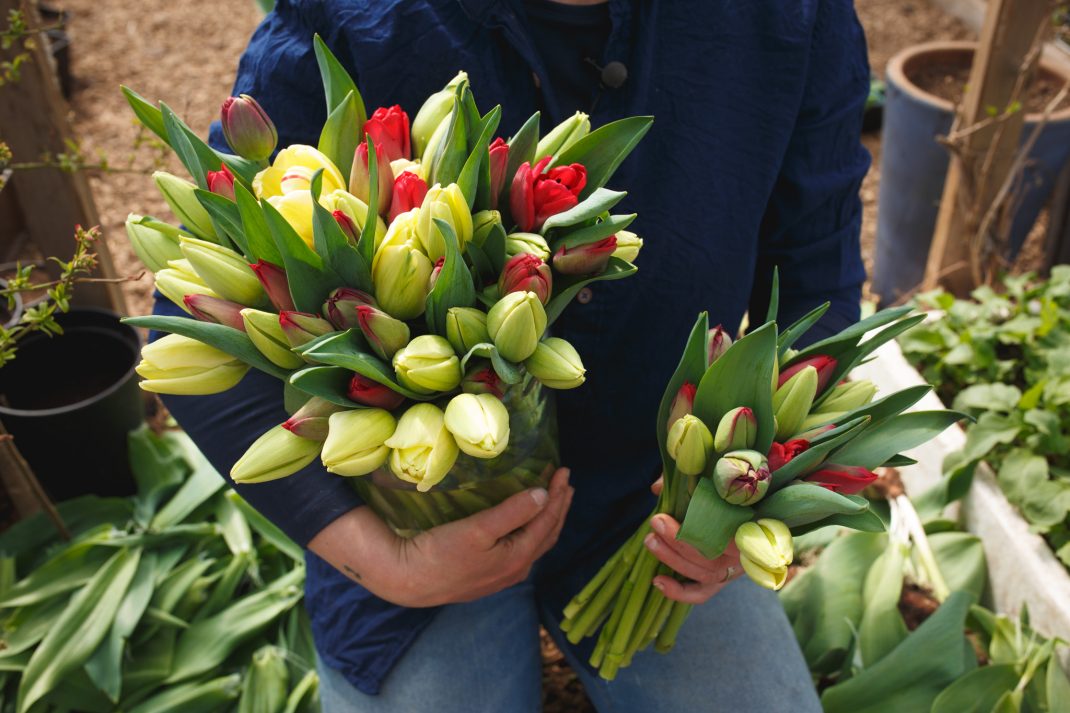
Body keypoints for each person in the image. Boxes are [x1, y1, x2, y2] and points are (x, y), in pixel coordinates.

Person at [156, 0, 870, 709]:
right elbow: (190, 319)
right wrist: (382, 561)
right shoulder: (356, 15)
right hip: (424, 507)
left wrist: (734, 511)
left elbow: (816, 283)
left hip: (657, 509)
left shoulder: (791, 17)